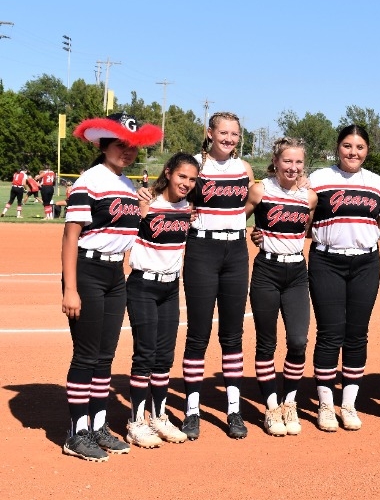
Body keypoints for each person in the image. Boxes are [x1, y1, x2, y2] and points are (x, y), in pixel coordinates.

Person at [61, 113, 162, 462]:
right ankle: (76, 433)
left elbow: (124, 230)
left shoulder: (128, 185)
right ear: (104, 144)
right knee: (86, 355)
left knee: (105, 356)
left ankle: (98, 425)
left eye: (133, 146)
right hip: (88, 272)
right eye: (121, 144)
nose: (128, 151)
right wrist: (70, 289)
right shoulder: (90, 180)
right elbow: (71, 236)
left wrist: (144, 209)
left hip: (114, 275)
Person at [179, 112, 254, 440]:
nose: (228, 138)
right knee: (197, 333)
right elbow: (173, 196)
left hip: (236, 252)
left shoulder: (244, 168)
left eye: (234, 134)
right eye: (223, 132)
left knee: (232, 334)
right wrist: (187, 212)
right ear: (209, 133)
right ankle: (192, 409)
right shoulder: (196, 165)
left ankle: (233, 408)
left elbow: (253, 203)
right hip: (202, 251)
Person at [307, 125, 380, 432]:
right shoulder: (319, 179)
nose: (354, 152)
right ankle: (326, 404)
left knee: (357, 332)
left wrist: (363, 237)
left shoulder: (376, 183)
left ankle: (348, 404)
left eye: (360, 147)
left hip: (365, 261)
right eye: (348, 146)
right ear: (338, 147)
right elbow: (303, 216)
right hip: (327, 260)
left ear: (367, 150)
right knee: (329, 332)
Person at [125, 153, 198, 448]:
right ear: (168, 172)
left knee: (164, 356)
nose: (186, 183)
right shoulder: (146, 201)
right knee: (145, 353)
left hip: (170, 287)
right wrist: (140, 210)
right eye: (182, 176)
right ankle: (135, 421)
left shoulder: (188, 207)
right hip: (143, 284)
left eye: (192, 179)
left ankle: (159, 416)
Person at [246, 138, 316, 436]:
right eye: (287, 161)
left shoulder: (309, 196)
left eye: (298, 162)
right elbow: (237, 217)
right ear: (276, 161)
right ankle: (272, 406)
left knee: (299, 341)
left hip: (297, 271)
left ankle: (289, 401)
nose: (293, 167)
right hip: (267, 270)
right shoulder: (261, 189)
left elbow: (311, 228)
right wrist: (251, 232)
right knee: (266, 342)